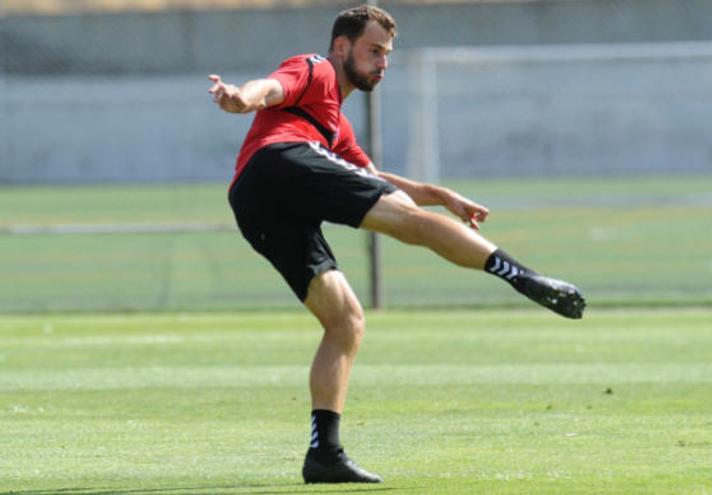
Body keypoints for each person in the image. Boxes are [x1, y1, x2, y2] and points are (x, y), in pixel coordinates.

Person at [208, 4, 585, 484]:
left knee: (346, 321)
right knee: (409, 222)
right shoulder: (316, 69)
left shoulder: (334, 128)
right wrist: (242, 98)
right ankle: (524, 277)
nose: (382, 62)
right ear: (342, 47)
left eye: (386, 54)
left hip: (255, 202)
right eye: (373, 51)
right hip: (280, 162)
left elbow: (372, 178)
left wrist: (440, 194)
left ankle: (324, 453)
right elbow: (272, 87)